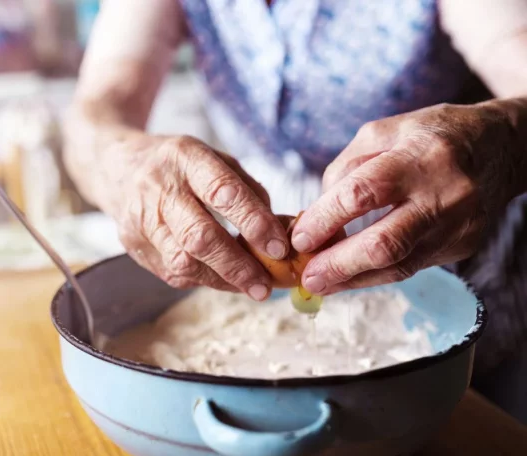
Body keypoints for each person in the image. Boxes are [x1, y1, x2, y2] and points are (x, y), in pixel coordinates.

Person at [63, 0, 527, 415]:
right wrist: (120, 159)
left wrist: (506, 134)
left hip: (454, 247)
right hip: (255, 258)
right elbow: (98, 109)